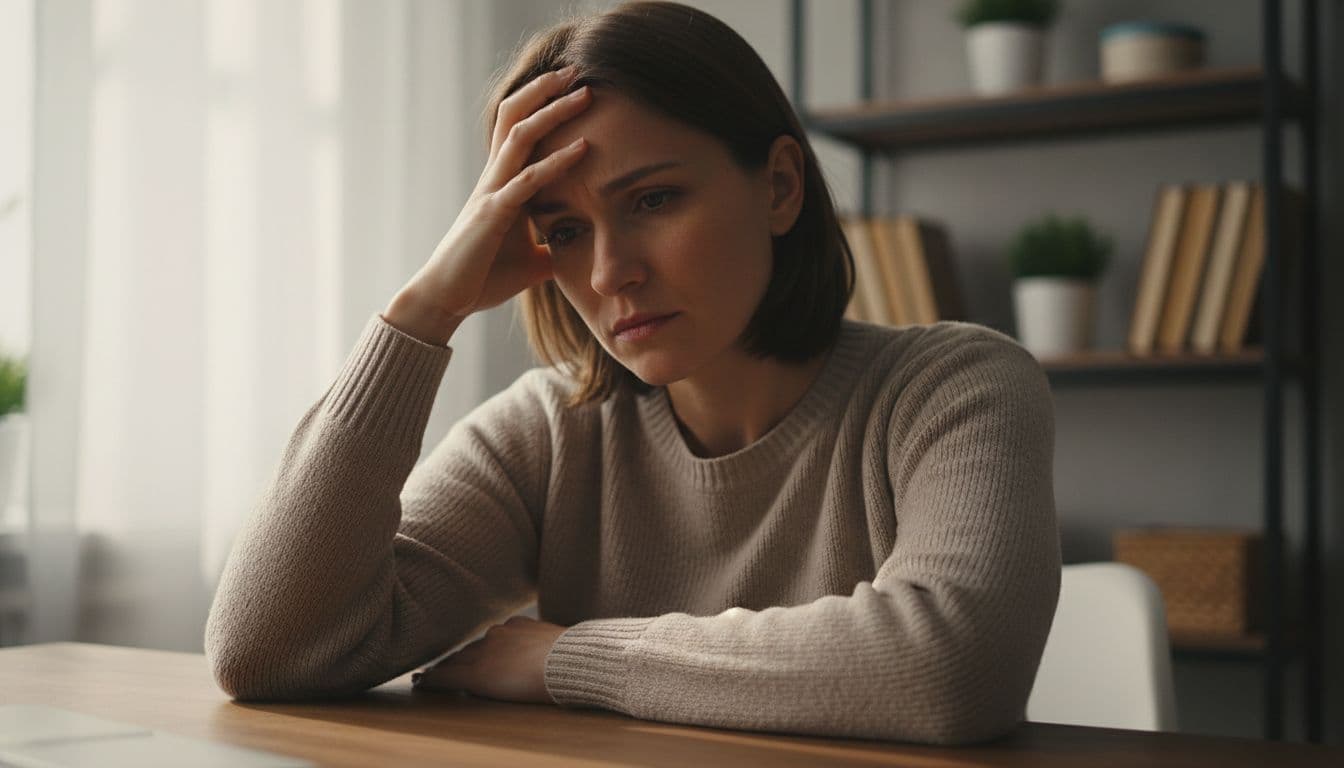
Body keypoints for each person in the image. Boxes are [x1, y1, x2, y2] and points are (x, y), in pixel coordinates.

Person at [205, 0, 1060, 745]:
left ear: (780, 187)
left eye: (652, 200)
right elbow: (268, 651)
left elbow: (947, 669)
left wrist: (570, 658)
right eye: (565, 230)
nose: (610, 273)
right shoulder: (549, 430)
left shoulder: (956, 388)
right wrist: (424, 313)